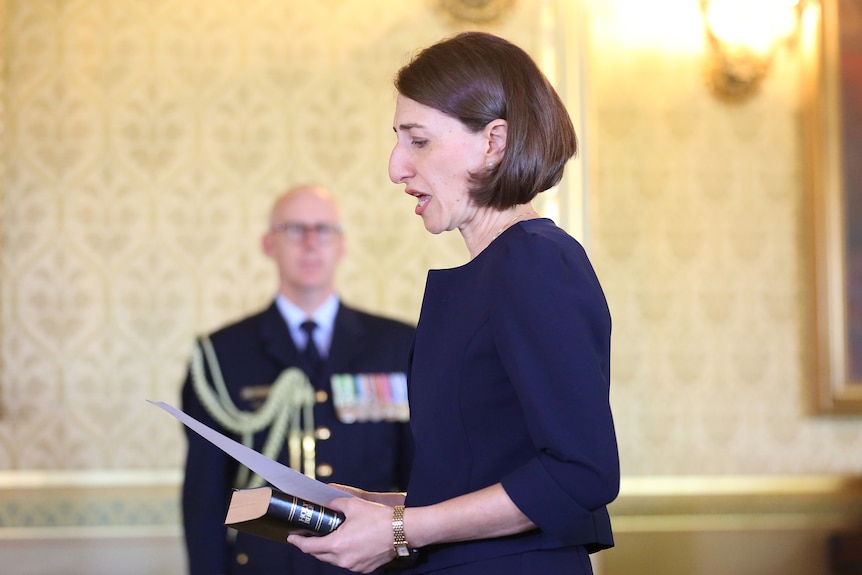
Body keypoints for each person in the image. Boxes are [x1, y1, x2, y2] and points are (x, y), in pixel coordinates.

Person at [287, 32, 620, 574]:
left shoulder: (535, 261)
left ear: (494, 142)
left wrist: (399, 530)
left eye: (417, 141)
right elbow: (480, 477)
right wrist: (381, 510)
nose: (396, 167)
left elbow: (581, 473)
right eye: (398, 140)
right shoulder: (495, 271)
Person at [181, 185, 416, 575]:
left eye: (324, 229)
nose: (311, 243)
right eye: (294, 229)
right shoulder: (221, 354)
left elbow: (417, 471)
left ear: (341, 244)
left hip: (372, 564)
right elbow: (205, 494)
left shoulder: (397, 344)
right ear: (268, 244)